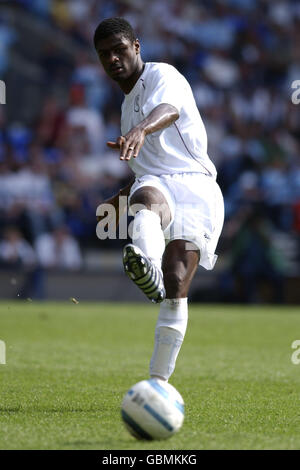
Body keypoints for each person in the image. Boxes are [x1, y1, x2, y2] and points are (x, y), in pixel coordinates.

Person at [94, 18, 224, 382]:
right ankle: (145, 264)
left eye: (119, 49)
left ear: (137, 46)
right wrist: (116, 202)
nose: (113, 59)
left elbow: (169, 111)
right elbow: (145, 172)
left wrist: (139, 129)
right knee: (145, 197)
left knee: (177, 281)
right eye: (105, 54)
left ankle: (158, 383)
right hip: (157, 184)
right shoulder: (123, 110)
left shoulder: (162, 74)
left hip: (196, 185)